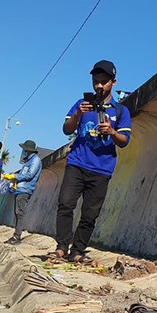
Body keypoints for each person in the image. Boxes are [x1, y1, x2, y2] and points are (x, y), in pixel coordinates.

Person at [52, 60, 131, 264]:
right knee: (65, 204)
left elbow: (124, 141)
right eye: (95, 82)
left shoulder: (121, 111)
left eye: (103, 82)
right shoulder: (81, 105)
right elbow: (66, 129)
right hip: (77, 163)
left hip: (102, 169)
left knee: (90, 214)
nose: (98, 86)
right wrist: (78, 114)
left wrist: (112, 132)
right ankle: (61, 247)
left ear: (113, 82)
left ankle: (77, 250)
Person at [2, 140, 42, 244]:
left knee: (20, 213)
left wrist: (15, 176)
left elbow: (29, 175)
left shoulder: (35, 160)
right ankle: (16, 234)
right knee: (17, 212)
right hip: (20, 190)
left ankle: (17, 236)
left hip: (25, 189)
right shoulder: (28, 161)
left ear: (27, 150)